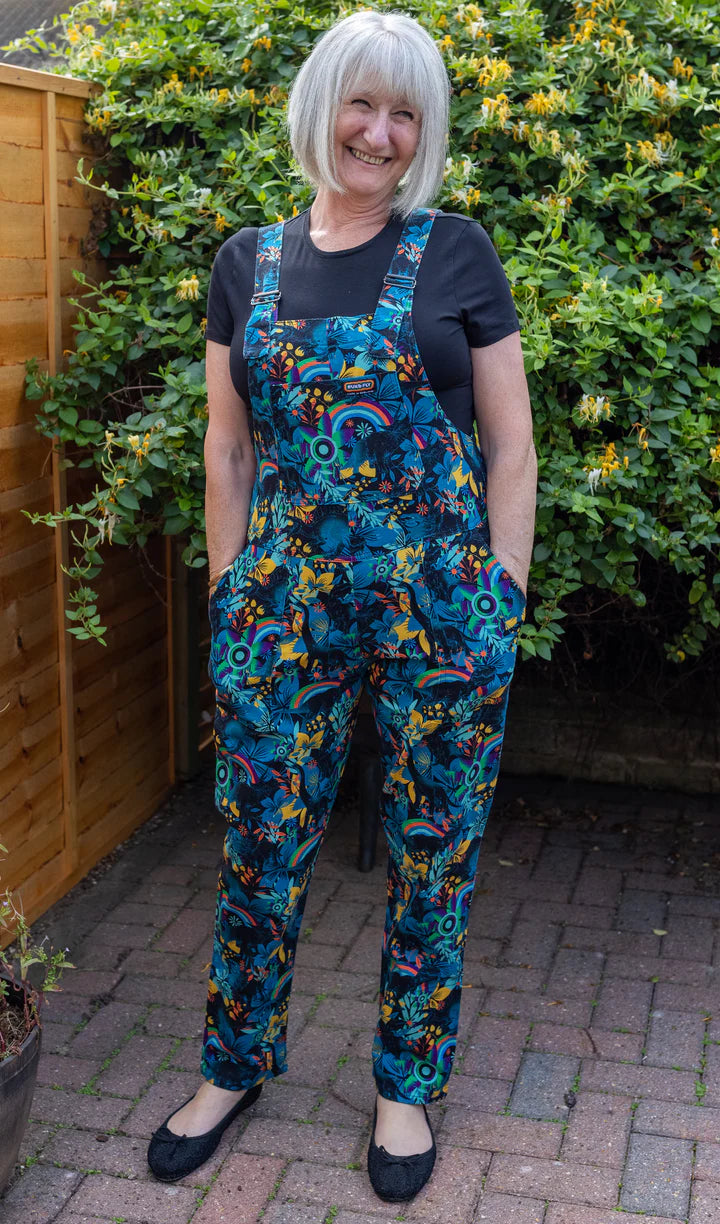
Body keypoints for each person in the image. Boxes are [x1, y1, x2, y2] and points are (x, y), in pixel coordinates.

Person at [148, 8, 536, 1203]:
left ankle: (406, 1090)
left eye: (405, 113)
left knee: (434, 855)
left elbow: (514, 448)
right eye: (362, 104)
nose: (380, 132)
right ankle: (230, 1068)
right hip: (282, 613)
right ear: (323, 109)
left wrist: (503, 595)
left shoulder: (457, 253)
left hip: (444, 613)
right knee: (260, 848)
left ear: (424, 133)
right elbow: (227, 451)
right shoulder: (246, 265)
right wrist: (229, 594)